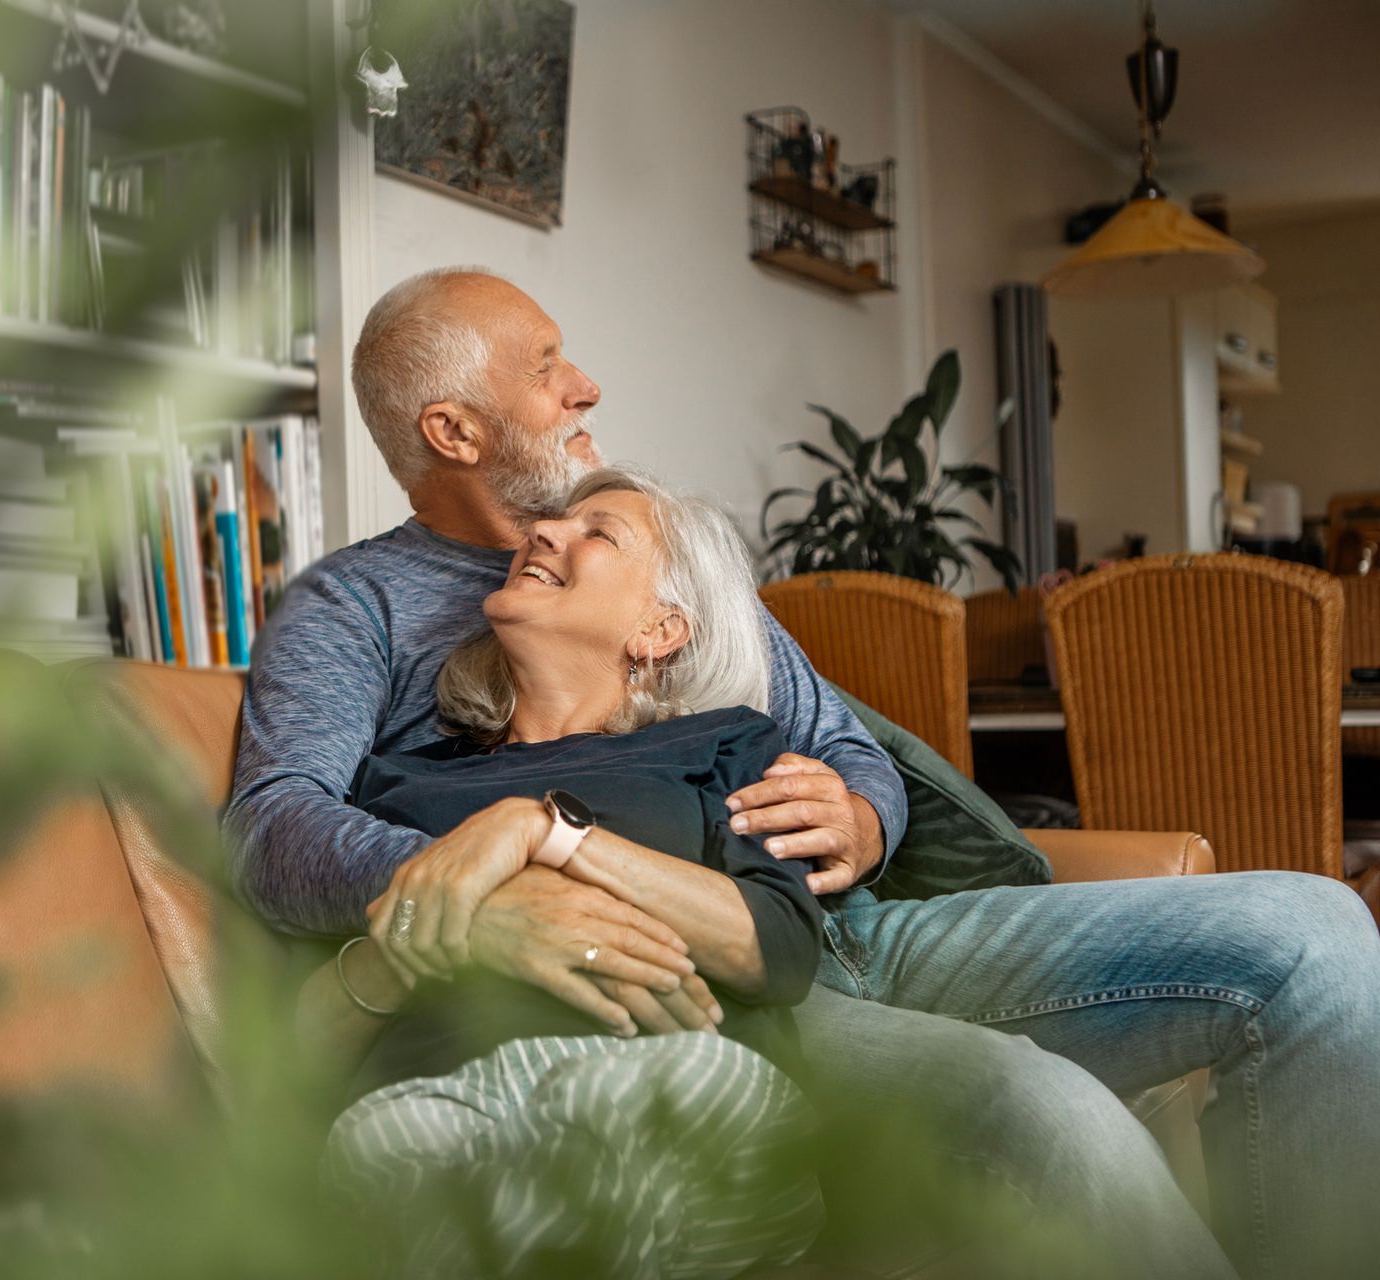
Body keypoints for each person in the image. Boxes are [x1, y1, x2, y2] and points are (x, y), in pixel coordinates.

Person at [230, 267, 1380, 1279]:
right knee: (1036, 1108)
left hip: (856, 926)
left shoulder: (658, 564)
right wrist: (495, 874)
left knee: (1318, 931)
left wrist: (865, 814)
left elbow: (840, 743)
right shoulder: (354, 607)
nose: (585, 386)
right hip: (730, 979)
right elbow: (275, 826)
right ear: (455, 431)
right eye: (546, 368)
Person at [298, 469, 826, 1278]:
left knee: (623, 1121)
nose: (543, 533)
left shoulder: (722, 744)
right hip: (436, 1097)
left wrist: (544, 831)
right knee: (389, 1143)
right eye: (553, 521)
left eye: (598, 532)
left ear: (660, 627)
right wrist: (438, 929)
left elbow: (778, 951)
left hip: (664, 1074)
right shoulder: (399, 779)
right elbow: (300, 1048)